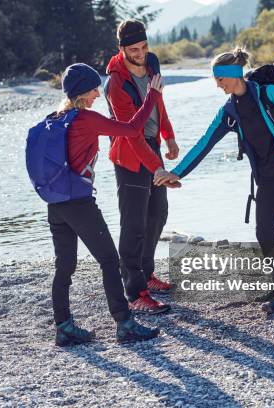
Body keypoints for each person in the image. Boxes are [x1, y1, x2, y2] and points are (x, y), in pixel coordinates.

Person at [155, 48, 274, 314]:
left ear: (232, 75)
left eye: (219, 80)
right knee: (264, 233)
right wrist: (177, 173)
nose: (217, 85)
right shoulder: (229, 110)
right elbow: (205, 141)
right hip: (267, 180)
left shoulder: (268, 94)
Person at [47, 63, 164, 346]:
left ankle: (63, 327)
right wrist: (152, 95)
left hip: (55, 204)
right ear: (82, 92)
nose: (98, 93)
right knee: (110, 261)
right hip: (79, 203)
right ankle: (125, 324)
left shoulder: (54, 118)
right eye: (94, 89)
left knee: (65, 265)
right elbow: (132, 128)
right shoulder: (85, 119)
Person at [104, 19, 179, 314]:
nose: (140, 53)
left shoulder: (151, 65)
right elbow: (130, 133)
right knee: (134, 223)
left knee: (158, 213)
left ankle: (147, 274)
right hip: (129, 154)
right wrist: (156, 167)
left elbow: (159, 105)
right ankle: (135, 291)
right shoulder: (115, 84)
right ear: (121, 49)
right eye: (134, 49)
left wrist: (168, 136)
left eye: (144, 47)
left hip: (153, 148)